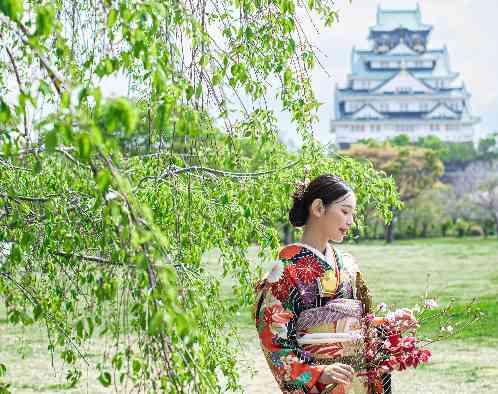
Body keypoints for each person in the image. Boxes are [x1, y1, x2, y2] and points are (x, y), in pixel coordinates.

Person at [253, 174, 414, 394]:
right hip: (323, 382)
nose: (350, 221)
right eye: (345, 211)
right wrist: (316, 372)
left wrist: (387, 325)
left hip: (359, 381)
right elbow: (274, 340)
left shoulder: (348, 265)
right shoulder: (285, 270)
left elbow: (356, 325)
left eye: (352, 214)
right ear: (318, 208)